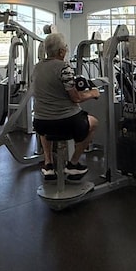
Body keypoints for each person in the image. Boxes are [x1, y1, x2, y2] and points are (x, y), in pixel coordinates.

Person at [32, 32, 99, 181]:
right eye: (66, 48)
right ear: (61, 51)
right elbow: (76, 97)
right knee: (94, 123)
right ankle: (73, 164)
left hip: (40, 123)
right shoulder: (64, 67)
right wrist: (93, 93)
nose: (66, 50)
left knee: (44, 123)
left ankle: (48, 164)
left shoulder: (36, 68)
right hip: (66, 122)